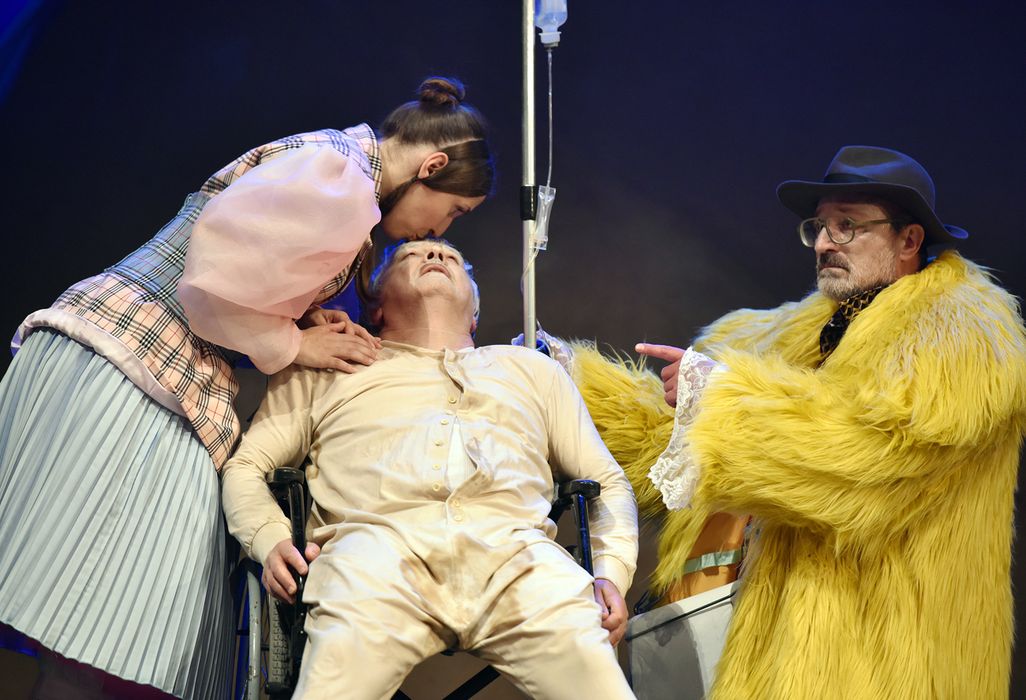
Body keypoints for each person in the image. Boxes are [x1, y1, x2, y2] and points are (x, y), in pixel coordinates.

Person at [0, 76, 494, 700]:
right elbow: (210, 286)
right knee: (105, 635)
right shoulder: (340, 176)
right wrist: (294, 347)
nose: (436, 233)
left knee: (106, 643)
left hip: (144, 366)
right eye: (453, 212)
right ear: (433, 166)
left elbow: (244, 271)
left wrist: (298, 316)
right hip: (132, 361)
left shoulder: (339, 171)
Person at [635, 145, 1026, 699]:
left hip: (890, 652)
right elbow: (671, 447)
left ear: (909, 240)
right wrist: (565, 385)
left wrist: (726, 397)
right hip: (785, 641)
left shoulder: (963, 332)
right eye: (818, 227)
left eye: (847, 226)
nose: (823, 243)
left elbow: (868, 455)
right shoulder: (791, 333)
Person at [221, 239, 639, 699]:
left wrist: (610, 571)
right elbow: (247, 466)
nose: (436, 256)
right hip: (374, 557)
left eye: (454, 259)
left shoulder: (534, 371)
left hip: (521, 559)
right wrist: (270, 538)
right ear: (375, 306)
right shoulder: (327, 367)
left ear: (475, 314)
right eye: (410, 255)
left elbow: (608, 481)